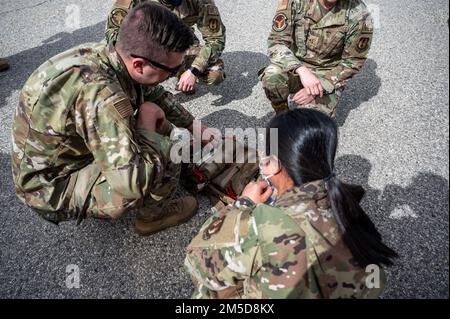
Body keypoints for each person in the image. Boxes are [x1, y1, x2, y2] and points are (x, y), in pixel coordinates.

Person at [11, 2, 206, 236]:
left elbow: (153, 92)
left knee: (153, 112)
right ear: (140, 65)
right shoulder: (102, 95)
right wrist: (149, 128)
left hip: (60, 156)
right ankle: (152, 217)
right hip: (49, 187)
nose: (173, 76)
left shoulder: (108, 55)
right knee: (166, 146)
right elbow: (130, 183)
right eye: (172, 71)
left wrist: (194, 125)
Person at [184, 108, 397, 299]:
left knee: (207, 292)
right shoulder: (346, 204)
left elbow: (195, 262)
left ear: (273, 164)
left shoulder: (263, 225)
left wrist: (243, 204)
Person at [261, 0, 373, 116]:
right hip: (296, 66)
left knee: (308, 124)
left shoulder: (360, 15)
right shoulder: (295, 2)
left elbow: (353, 62)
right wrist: (301, 69)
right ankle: (282, 114)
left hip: (326, 74)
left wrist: (320, 86)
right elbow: (276, 42)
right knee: (272, 75)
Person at [106, 0, 226, 94]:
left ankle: (181, 72)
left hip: (180, 47)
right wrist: (140, 53)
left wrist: (194, 70)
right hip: (146, 48)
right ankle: (142, 91)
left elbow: (215, 39)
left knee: (214, 73)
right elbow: (114, 32)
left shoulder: (201, 2)